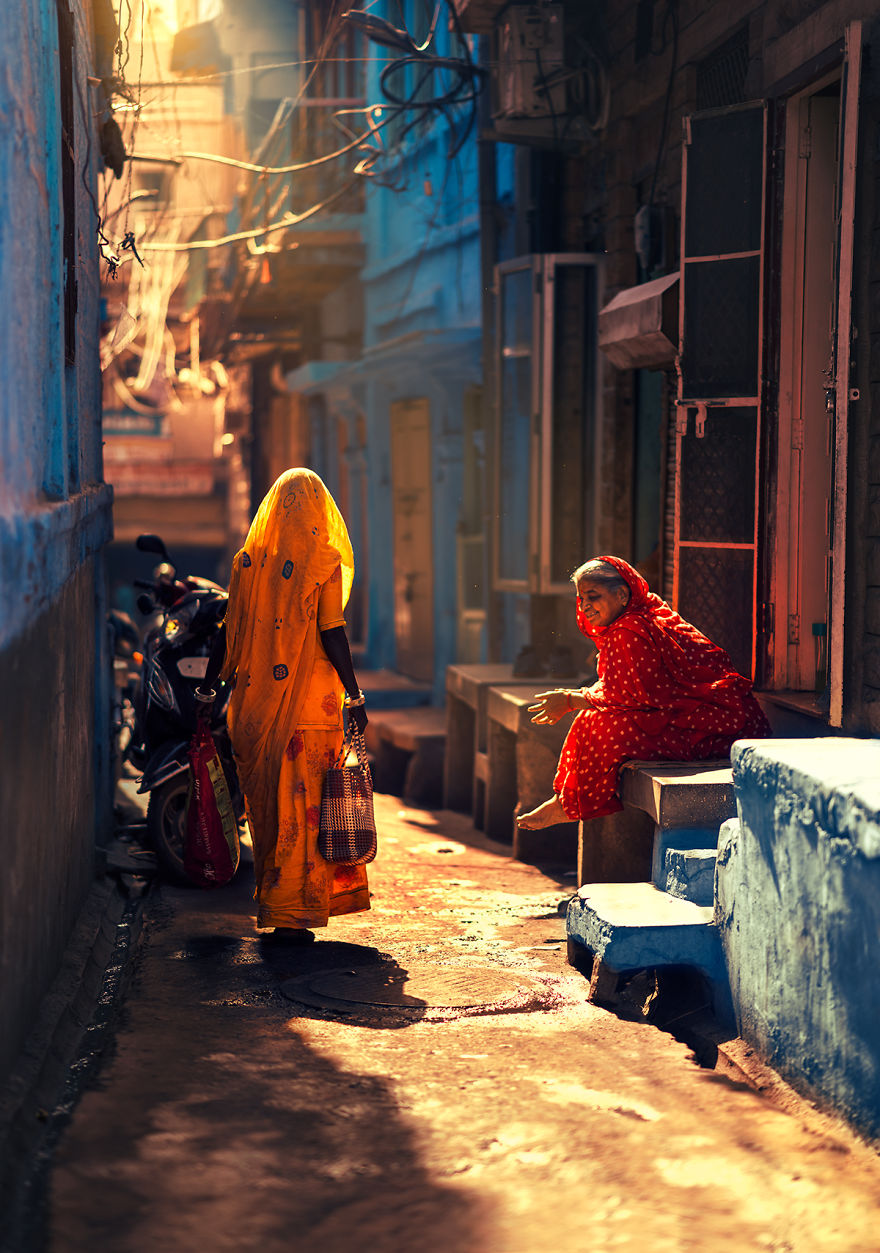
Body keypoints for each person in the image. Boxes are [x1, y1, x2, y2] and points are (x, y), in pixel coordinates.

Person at [200, 468, 370, 941]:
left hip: (256, 703)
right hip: (311, 706)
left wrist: (208, 688)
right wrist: (353, 693)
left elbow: (227, 631)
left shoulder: (250, 562)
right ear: (320, 510)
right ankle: (297, 906)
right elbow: (331, 630)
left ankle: (278, 902)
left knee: (272, 804)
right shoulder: (323, 560)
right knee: (308, 804)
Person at [517, 556, 771, 830]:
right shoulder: (642, 615)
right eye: (581, 599)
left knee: (598, 727)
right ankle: (566, 801)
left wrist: (571, 700)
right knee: (591, 720)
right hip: (723, 720)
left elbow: (635, 698)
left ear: (622, 594)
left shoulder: (630, 630)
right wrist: (577, 698)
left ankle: (570, 805)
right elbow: (629, 690)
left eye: (593, 596)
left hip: (715, 727)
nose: (585, 606)